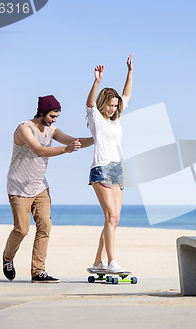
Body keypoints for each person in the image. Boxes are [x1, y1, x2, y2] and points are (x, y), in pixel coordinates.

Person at [3, 95, 94, 283]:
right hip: (19, 187)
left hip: (40, 187)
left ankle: (38, 272)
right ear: (42, 112)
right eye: (52, 116)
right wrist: (65, 150)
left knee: (45, 225)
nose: (54, 120)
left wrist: (96, 139)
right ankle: (7, 258)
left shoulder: (52, 130)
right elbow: (38, 150)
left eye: (56, 117)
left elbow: (74, 140)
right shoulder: (24, 129)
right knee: (21, 230)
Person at [86, 54, 133, 273]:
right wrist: (97, 81)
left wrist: (130, 72)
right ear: (103, 104)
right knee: (110, 216)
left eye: (115, 106)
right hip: (101, 169)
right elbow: (89, 103)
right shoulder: (96, 118)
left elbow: (126, 94)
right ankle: (112, 261)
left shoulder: (116, 120)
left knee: (115, 219)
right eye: (110, 105)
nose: (113, 108)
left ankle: (97, 263)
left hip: (117, 169)